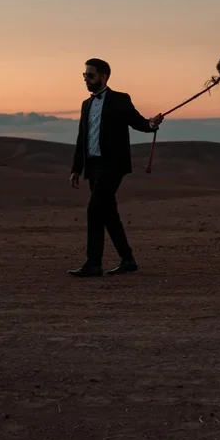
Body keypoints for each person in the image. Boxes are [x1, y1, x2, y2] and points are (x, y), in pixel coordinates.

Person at [68, 58, 164, 277]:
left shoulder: (120, 99)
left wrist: (151, 124)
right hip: (92, 166)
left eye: (90, 76)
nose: (86, 80)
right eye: (84, 76)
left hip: (112, 166)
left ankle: (93, 264)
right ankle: (128, 260)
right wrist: (76, 168)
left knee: (94, 210)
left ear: (103, 76)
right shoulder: (87, 104)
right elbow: (82, 137)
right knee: (108, 213)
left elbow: (137, 122)